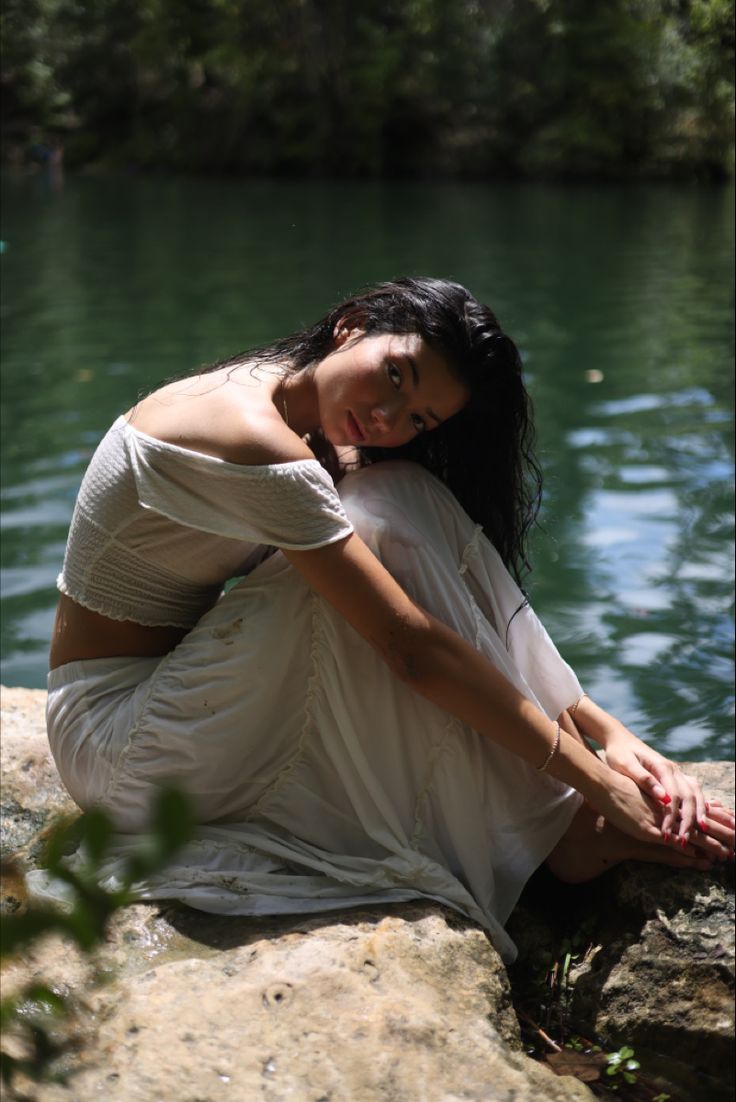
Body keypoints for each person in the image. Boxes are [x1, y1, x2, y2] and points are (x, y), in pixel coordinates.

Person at [44, 277, 734, 963]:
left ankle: (562, 791)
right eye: (396, 377)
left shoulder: (300, 407)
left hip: (162, 713)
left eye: (419, 420)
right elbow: (411, 649)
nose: (388, 419)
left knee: (398, 494)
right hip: (117, 750)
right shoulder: (253, 435)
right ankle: (561, 828)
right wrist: (598, 782)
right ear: (352, 324)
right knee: (382, 532)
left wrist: (604, 730)